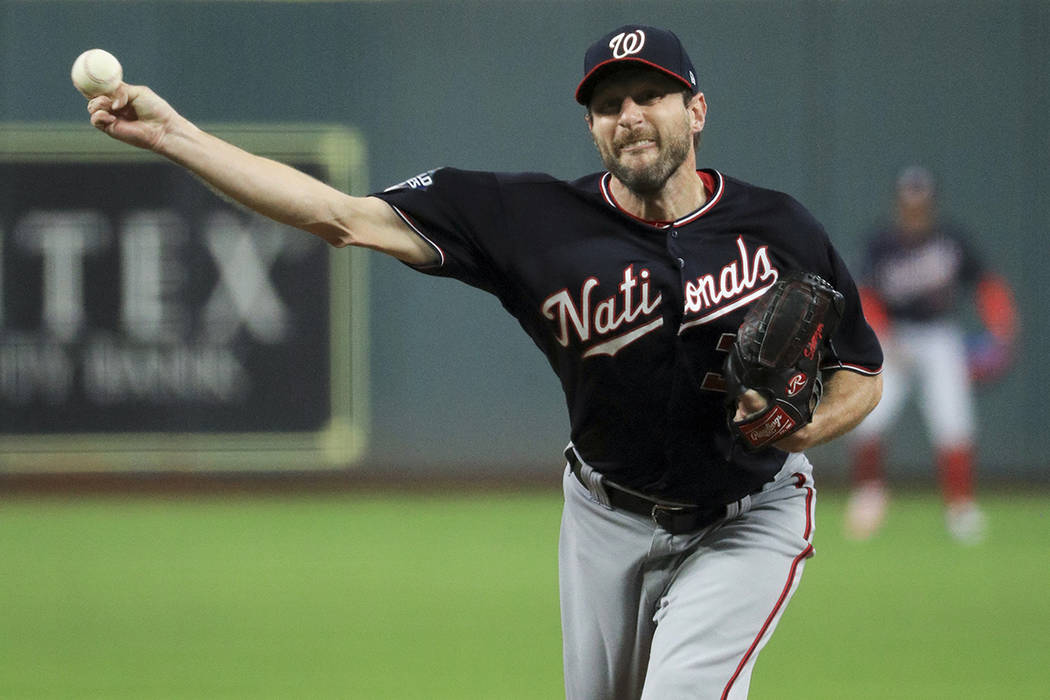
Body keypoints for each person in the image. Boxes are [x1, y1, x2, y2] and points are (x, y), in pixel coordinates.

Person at [84, 25, 883, 699]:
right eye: (609, 105)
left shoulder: (776, 225)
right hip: (604, 517)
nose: (630, 116)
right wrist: (171, 135)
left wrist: (805, 429)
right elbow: (338, 216)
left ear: (696, 110)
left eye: (651, 96)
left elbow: (862, 371)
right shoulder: (529, 220)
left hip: (749, 516)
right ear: (593, 129)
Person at [845, 165, 1018, 544]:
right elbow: (866, 296)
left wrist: (1001, 327)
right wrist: (886, 337)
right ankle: (869, 496)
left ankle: (960, 507)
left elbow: (986, 284)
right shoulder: (881, 243)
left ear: (931, 205)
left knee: (953, 421)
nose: (914, 211)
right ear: (899, 205)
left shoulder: (950, 240)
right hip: (895, 338)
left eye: (920, 204)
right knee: (869, 417)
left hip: (940, 337)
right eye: (909, 204)